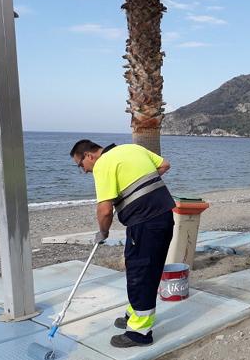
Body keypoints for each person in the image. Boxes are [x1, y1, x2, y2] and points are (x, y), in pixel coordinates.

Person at [70, 140, 175, 348]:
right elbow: (164, 165)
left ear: (89, 156)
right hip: (165, 217)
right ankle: (134, 314)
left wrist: (103, 232)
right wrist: (138, 188)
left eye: (80, 165)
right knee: (150, 269)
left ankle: (139, 333)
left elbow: (105, 210)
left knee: (139, 273)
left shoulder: (103, 165)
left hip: (144, 224)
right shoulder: (131, 148)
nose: (83, 171)